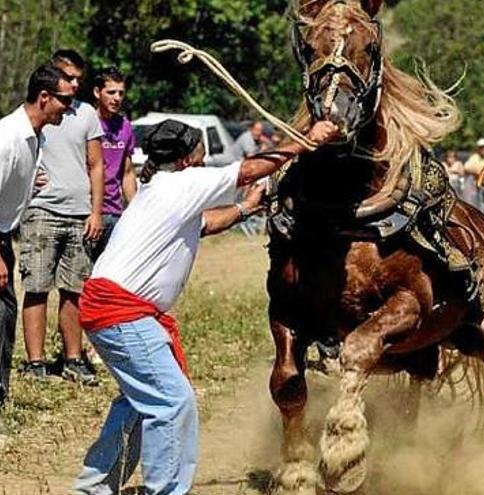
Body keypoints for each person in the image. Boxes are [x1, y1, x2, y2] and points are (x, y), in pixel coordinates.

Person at [71, 118, 339, 495]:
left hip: (110, 307)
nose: (206, 154)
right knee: (172, 403)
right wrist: (304, 141)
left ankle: (95, 488)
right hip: (121, 311)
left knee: (138, 402)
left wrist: (246, 209)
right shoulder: (185, 182)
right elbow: (250, 169)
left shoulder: (163, 188)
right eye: (200, 148)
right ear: (185, 158)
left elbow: (206, 224)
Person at [0, 64, 73, 425]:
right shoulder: (5, 138)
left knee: (4, 312)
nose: (70, 107)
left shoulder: (34, 135)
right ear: (44, 97)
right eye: (66, 100)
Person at [19, 49, 105, 384]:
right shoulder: (37, 109)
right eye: (68, 78)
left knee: (74, 290)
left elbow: (96, 164)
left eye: (78, 80)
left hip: (79, 213)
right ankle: (36, 362)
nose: (73, 85)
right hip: (42, 210)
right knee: (37, 286)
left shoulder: (86, 115)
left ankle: (73, 358)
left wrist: (95, 211)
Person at [88, 66, 137, 260]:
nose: (117, 98)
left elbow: (127, 172)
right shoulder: (86, 122)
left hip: (115, 213)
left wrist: (134, 210)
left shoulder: (125, 126)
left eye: (121, 93)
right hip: (88, 211)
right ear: (97, 92)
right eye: (111, 92)